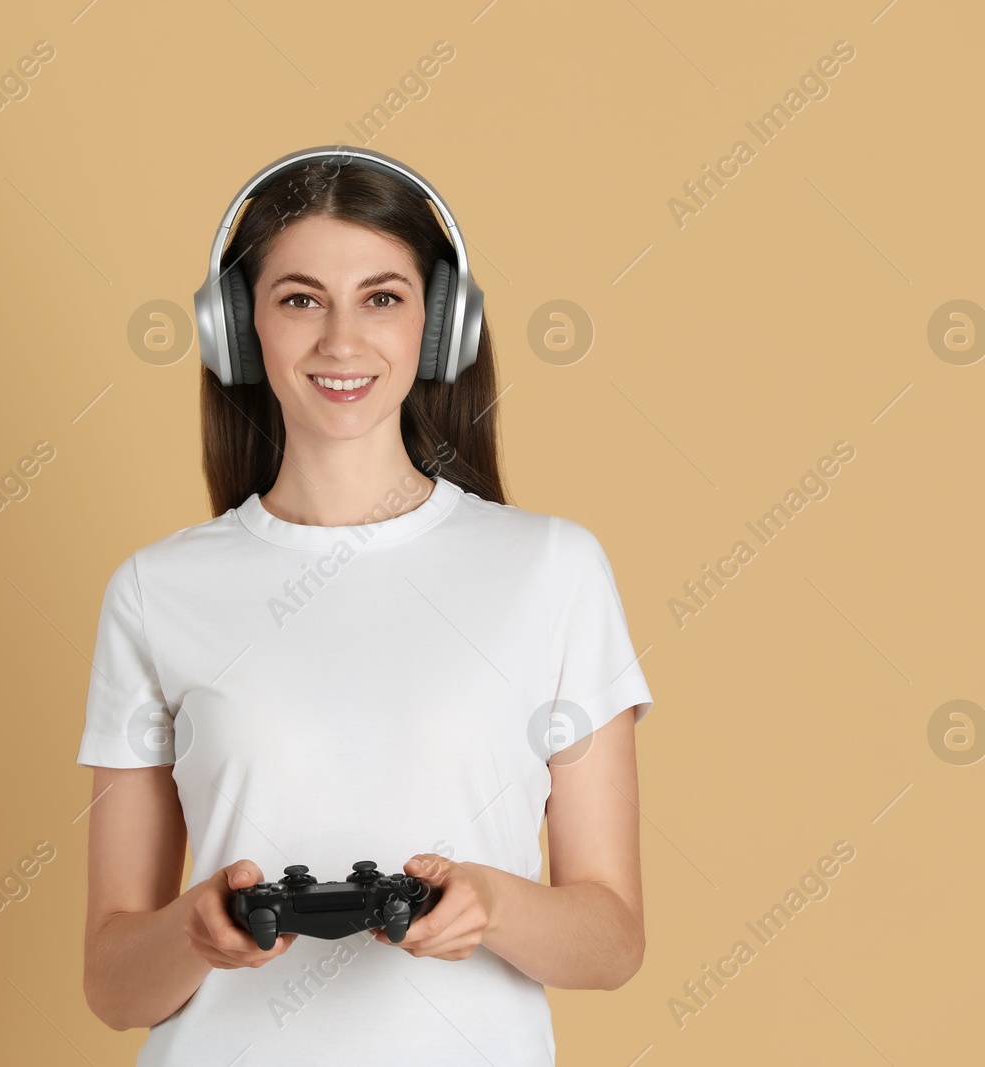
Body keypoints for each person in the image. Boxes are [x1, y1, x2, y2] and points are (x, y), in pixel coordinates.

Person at [77, 147, 655, 1065]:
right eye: (300, 298)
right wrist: (194, 926)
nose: (341, 342)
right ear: (239, 328)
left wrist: (493, 904)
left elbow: (613, 940)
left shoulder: (553, 569)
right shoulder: (156, 591)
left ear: (440, 326)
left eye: (382, 297)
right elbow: (112, 984)